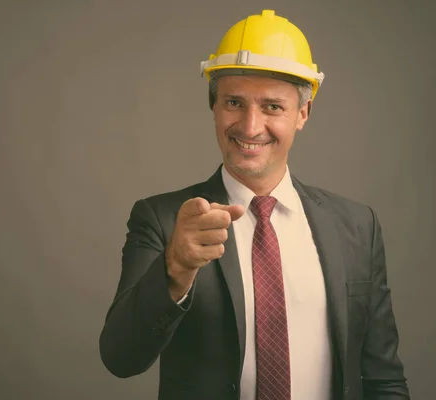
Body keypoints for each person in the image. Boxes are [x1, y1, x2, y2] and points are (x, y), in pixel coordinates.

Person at [99, 9, 410, 400]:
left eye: (272, 107)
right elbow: (120, 358)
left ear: (303, 113)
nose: (249, 127)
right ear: (213, 107)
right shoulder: (163, 220)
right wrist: (174, 269)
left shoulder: (357, 226)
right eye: (233, 103)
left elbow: (382, 379)